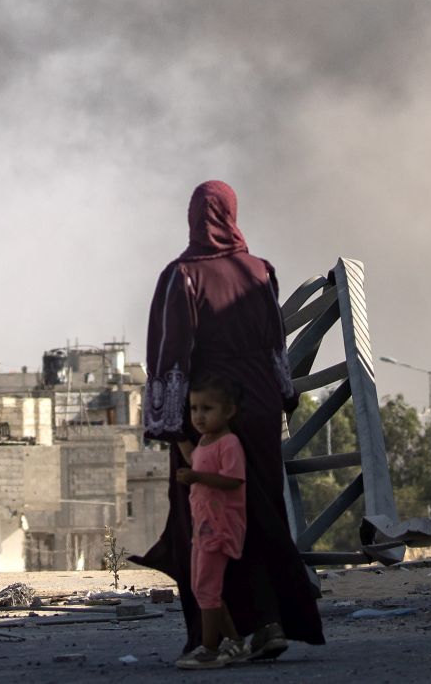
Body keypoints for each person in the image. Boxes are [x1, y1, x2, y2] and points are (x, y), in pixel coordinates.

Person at [135, 180, 324, 661]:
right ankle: (270, 623)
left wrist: (175, 430)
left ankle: (214, 637)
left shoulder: (183, 275)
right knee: (259, 515)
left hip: (210, 415)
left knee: (203, 525)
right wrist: (279, 401)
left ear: (194, 217)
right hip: (257, 411)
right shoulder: (260, 271)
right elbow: (276, 348)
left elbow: (169, 357)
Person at [172, 376, 249, 669]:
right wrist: (179, 438)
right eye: (194, 409)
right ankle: (234, 641)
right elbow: (196, 459)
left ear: (228, 412)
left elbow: (233, 480)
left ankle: (209, 649)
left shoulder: (229, 443)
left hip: (220, 526)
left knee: (206, 586)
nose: (199, 416)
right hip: (203, 526)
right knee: (205, 586)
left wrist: (196, 478)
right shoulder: (205, 441)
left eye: (207, 408)